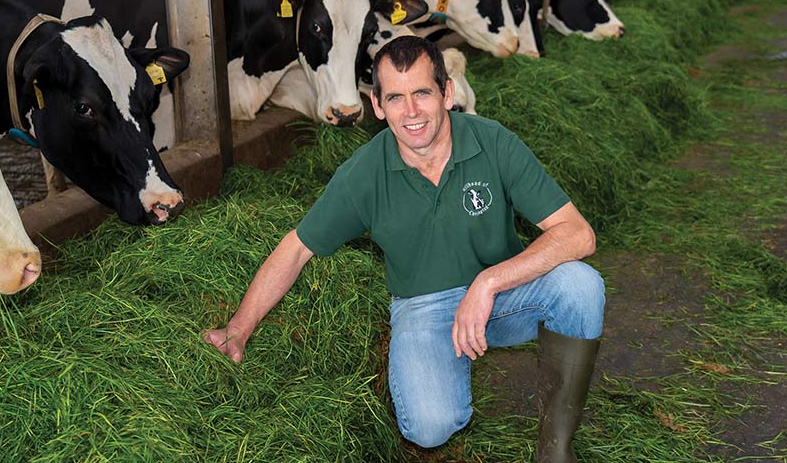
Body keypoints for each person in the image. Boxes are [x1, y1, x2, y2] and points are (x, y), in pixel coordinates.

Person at [204, 35, 605, 462]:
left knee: (580, 286)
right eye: (395, 97)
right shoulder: (363, 174)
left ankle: (556, 449)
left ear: (447, 93)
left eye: (422, 93)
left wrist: (488, 283)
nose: (411, 112)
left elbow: (579, 234)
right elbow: (296, 249)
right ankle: (446, 367)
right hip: (424, 306)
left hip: (503, 298)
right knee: (429, 427)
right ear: (377, 105)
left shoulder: (493, 142)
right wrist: (239, 328)